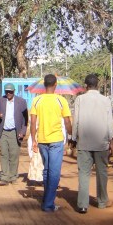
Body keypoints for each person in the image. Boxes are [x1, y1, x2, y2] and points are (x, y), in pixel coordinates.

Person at [71, 73, 113, 214]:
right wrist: (111, 140)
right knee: (102, 172)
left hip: (84, 143)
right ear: (98, 85)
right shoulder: (105, 100)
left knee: (83, 173)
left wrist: (73, 138)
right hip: (101, 143)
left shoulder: (80, 100)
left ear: (86, 86)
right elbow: (109, 123)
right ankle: (102, 201)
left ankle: (83, 204)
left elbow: (76, 120)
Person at [29, 74, 72, 212]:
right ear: (55, 85)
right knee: (54, 172)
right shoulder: (61, 100)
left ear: (44, 85)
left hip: (42, 140)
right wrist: (71, 135)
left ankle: (47, 199)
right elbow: (67, 122)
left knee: (47, 170)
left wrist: (33, 140)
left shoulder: (37, 100)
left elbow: (33, 122)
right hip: (56, 140)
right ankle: (48, 204)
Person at [0, 83, 28, 185]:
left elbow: (25, 120)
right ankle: (4, 177)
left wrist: (23, 132)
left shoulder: (21, 102)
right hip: (3, 131)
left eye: (10, 92)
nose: (8, 93)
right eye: (6, 92)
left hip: (15, 132)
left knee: (14, 155)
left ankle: (13, 176)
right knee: (4, 154)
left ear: (14, 91)